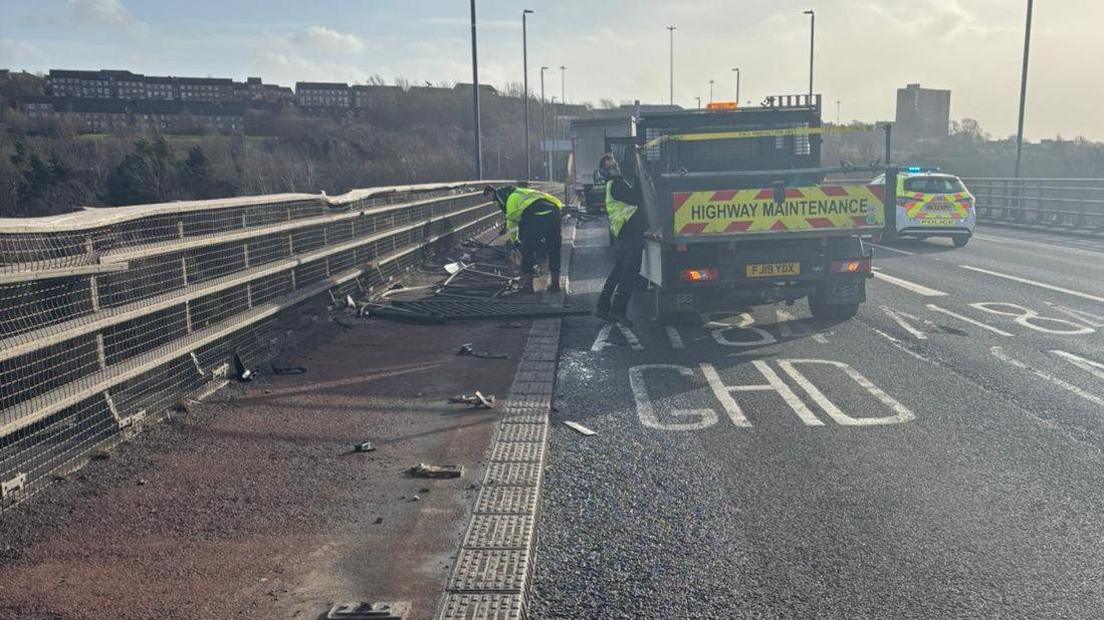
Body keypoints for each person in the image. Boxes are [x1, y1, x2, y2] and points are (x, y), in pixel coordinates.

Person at [484, 185, 564, 293]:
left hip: (537, 215)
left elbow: (512, 223)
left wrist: (515, 241)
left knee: (527, 249)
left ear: (491, 193)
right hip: (554, 212)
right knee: (554, 249)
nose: (488, 200)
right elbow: (514, 218)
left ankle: (528, 286)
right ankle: (555, 285)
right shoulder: (519, 192)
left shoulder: (511, 199)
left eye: (487, 197)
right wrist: (506, 227)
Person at [596, 153, 645, 326]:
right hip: (630, 233)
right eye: (610, 167)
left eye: (615, 164)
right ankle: (618, 310)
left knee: (618, 271)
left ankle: (602, 307)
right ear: (605, 172)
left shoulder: (614, 184)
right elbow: (636, 198)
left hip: (623, 234)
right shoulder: (617, 185)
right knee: (629, 273)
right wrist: (641, 177)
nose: (615, 168)